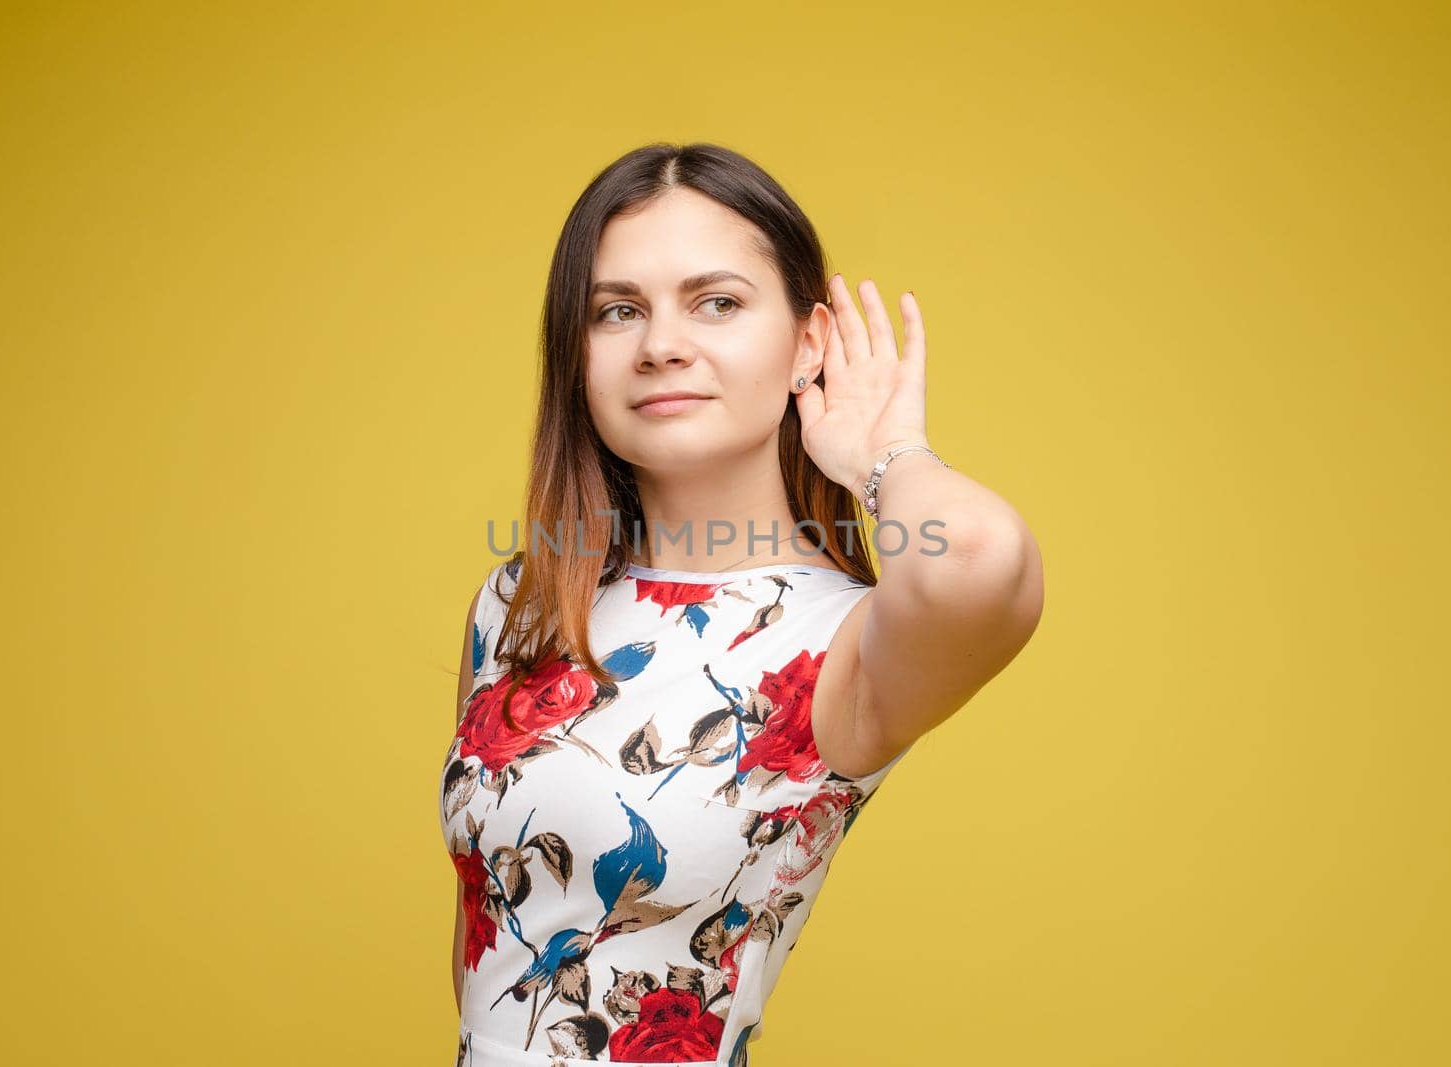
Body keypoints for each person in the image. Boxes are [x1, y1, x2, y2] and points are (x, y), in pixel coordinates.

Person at [440, 142, 1044, 1066]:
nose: (662, 344)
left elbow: (981, 555)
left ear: (808, 343)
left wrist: (882, 453)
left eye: (716, 301)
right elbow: (485, 942)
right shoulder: (520, 600)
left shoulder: (841, 640)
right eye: (617, 310)